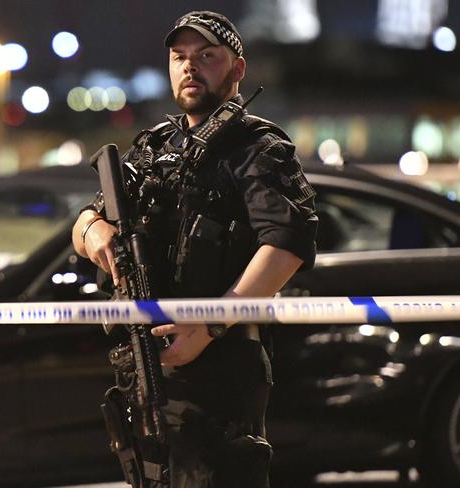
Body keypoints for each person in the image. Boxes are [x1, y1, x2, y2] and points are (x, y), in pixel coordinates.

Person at [72, 10, 317, 488]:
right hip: (146, 359)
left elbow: (288, 243)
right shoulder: (156, 145)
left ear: (237, 69)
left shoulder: (257, 145)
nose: (190, 67)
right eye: (179, 57)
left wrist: (208, 324)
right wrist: (92, 233)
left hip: (221, 367)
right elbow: (88, 216)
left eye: (207, 56)